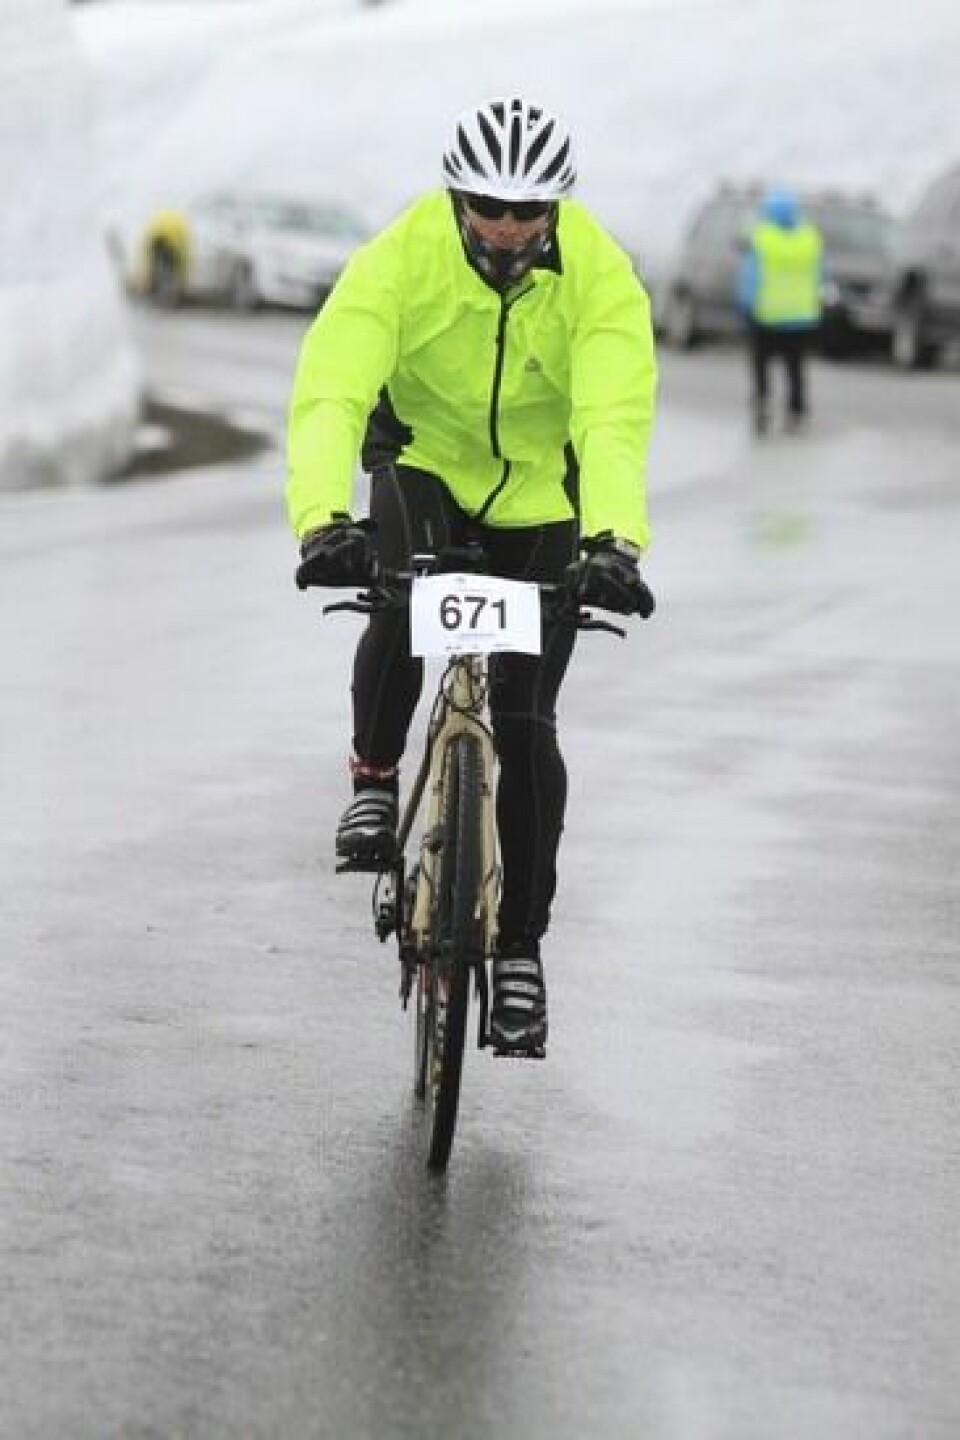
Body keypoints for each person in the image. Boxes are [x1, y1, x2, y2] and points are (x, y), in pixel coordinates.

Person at [286, 96, 657, 1055]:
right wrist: (323, 519)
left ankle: (523, 949)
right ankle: (374, 774)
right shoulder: (401, 257)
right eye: (488, 206)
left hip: (539, 499)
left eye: (528, 212)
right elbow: (332, 386)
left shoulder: (602, 278)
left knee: (529, 728)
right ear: (457, 198)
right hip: (427, 467)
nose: (506, 227)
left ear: (555, 211)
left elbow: (613, 415)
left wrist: (615, 543)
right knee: (400, 601)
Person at [736, 189, 823, 434]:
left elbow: (751, 276)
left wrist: (745, 304)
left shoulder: (763, 238)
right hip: (801, 317)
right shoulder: (810, 238)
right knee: (795, 368)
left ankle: (762, 405)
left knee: (761, 366)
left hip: (766, 315)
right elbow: (820, 276)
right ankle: (796, 412)